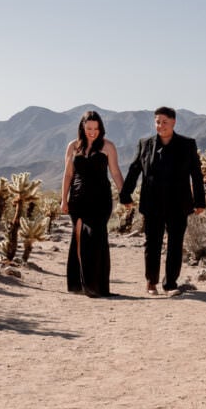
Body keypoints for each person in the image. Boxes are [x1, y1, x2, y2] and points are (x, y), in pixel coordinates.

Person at [120, 106, 205, 296]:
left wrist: (200, 201)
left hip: (179, 204)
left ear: (174, 122)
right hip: (152, 203)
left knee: (175, 244)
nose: (160, 125)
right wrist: (125, 195)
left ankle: (170, 284)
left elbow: (196, 175)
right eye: (157, 122)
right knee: (152, 244)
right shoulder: (145, 144)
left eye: (164, 122)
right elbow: (134, 170)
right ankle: (151, 282)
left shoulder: (187, 144)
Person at [61, 110, 125, 297]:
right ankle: (81, 284)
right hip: (78, 198)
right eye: (89, 128)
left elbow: (115, 172)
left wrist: (124, 195)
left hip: (100, 199)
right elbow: (68, 174)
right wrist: (63, 199)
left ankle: (96, 286)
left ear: (100, 128)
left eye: (96, 128)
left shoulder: (108, 146)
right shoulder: (73, 146)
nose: (92, 132)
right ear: (82, 127)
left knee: (97, 239)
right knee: (79, 238)